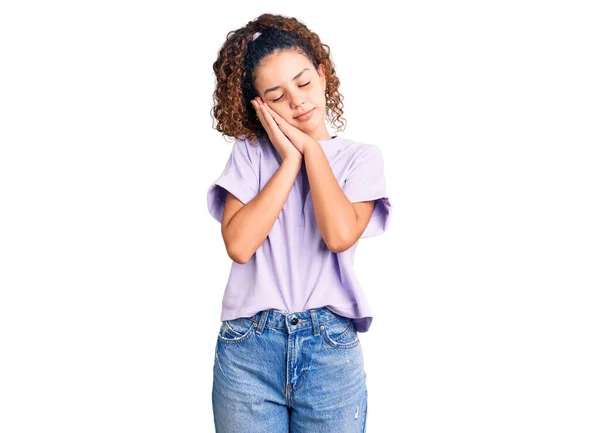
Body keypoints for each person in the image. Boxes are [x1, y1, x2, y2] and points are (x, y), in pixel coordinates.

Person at [206, 13, 392, 432]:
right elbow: (238, 244)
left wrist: (310, 150)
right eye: (276, 94)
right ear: (259, 105)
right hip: (248, 348)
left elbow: (340, 234)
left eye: (304, 83)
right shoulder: (251, 154)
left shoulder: (362, 159)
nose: (297, 100)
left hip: (328, 348)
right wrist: (290, 160)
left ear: (323, 76)